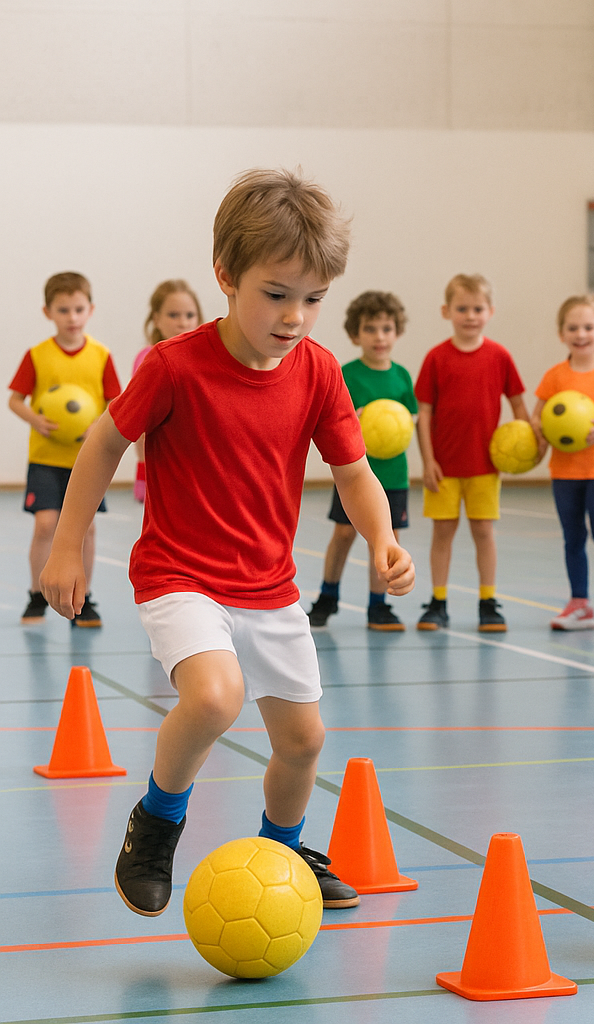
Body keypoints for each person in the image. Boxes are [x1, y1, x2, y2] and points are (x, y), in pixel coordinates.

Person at [39, 168, 415, 918]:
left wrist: (382, 538)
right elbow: (104, 443)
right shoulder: (176, 366)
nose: (295, 316)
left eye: (313, 298)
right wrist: (68, 545)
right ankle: (156, 823)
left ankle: (281, 853)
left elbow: (354, 472)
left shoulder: (317, 374)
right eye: (276, 295)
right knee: (214, 698)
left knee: (304, 741)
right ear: (226, 276)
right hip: (180, 574)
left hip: (269, 584)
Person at [414, 273, 528, 632]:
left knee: (484, 532)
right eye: (462, 308)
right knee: (442, 533)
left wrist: (527, 448)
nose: (470, 315)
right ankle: (438, 601)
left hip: (484, 467)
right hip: (444, 468)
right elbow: (424, 415)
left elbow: (519, 407)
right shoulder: (435, 358)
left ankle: (487, 601)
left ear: (490, 311)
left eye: (477, 308)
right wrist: (428, 460)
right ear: (446, 311)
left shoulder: (499, 356)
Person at [8, 272, 121, 628]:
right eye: (63, 310)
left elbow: (116, 401)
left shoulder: (100, 355)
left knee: (86, 529)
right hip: (45, 457)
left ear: (90, 310)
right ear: (47, 312)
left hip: (87, 462)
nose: (72, 317)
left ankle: (82, 599)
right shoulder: (37, 355)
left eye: (78, 309)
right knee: (46, 525)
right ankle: (36, 595)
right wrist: (35, 420)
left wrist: (96, 427)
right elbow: (14, 400)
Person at [307, 290, 417, 631]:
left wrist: (394, 425)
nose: (379, 336)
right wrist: (357, 419)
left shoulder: (401, 376)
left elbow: (411, 419)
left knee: (386, 539)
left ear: (397, 333)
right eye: (370, 329)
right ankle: (327, 597)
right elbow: (333, 418)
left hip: (393, 475)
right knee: (343, 534)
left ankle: (378, 605)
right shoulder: (347, 374)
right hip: (352, 474)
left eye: (386, 329)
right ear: (356, 334)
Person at [532, 294, 594, 633]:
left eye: (588, 327)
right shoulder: (555, 376)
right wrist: (538, 431)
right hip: (564, 472)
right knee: (572, 537)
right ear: (561, 334)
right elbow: (538, 417)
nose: (581, 334)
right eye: (572, 327)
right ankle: (580, 604)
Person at [132, 281, 203, 502]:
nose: (182, 322)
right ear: (156, 319)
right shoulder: (148, 359)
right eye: (173, 315)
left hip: (196, 463)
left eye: (189, 315)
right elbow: (139, 417)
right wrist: (144, 460)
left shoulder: (204, 359)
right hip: (160, 461)